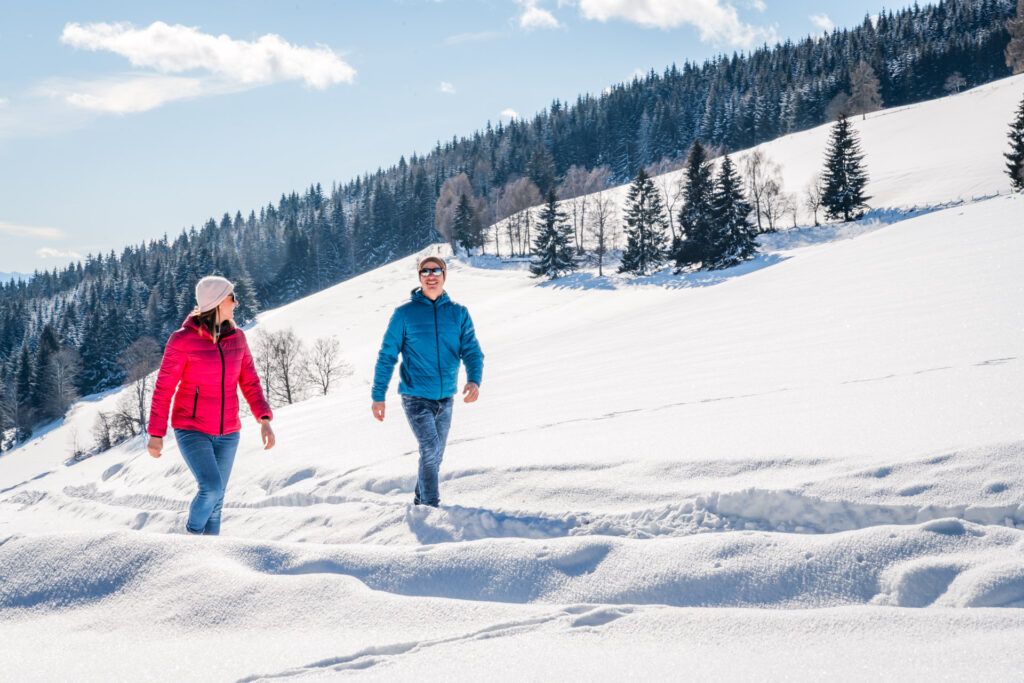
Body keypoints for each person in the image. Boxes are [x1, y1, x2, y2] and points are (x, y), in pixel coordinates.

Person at [147, 275, 275, 535]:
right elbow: (164, 389)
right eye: (231, 298)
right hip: (192, 427)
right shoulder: (182, 340)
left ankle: (209, 562)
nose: (237, 303)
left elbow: (250, 381)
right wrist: (156, 434)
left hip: (229, 432)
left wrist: (264, 419)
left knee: (217, 504)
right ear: (217, 303)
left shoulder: (237, 338)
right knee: (211, 488)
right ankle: (191, 538)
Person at [372, 256, 484, 507]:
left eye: (436, 271)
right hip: (415, 397)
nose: (431, 275)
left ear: (444, 275)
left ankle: (419, 501)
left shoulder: (458, 314)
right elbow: (387, 355)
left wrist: (474, 380)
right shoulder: (404, 315)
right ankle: (430, 508)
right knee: (431, 450)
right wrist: (378, 395)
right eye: (425, 271)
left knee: (435, 455)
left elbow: (472, 350)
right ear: (419, 277)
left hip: (446, 397)